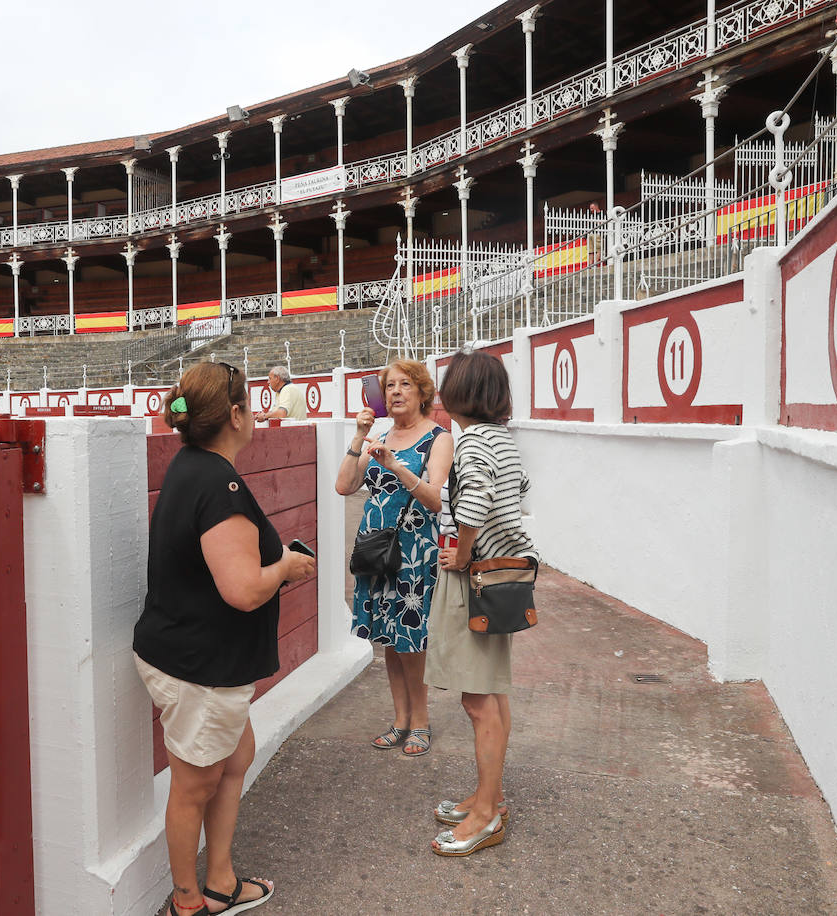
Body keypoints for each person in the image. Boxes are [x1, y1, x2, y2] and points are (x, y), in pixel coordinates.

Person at [134, 360, 316, 916]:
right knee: (195, 783)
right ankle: (190, 902)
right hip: (201, 667)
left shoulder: (193, 465)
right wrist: (285, 566)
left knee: (235, 758)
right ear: (235, 415)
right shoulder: (219, 483)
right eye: (251, 402)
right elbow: (242, 590)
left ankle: (219, 880)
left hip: (191, 654)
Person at [425, 350, 538, 857]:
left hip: (475, 577)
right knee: (494, 691)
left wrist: (461, 554)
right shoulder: (503, 440)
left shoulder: (471, 443)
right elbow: (518, 491)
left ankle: (487, 814)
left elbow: (472, 505)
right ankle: (488, 796)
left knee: (476, 699)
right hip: (504, 576)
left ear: (459, 394)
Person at [335, 359, 454, 757]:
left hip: (414, 550)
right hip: (376, 548)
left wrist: (397, 467)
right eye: (389, 386)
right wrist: (359, 435)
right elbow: (344, 485)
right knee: (387, 636)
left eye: (405, 385)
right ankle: (400, 719)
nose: (396, 392)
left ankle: (420, 721)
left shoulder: (439, 438)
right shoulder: (380, 435)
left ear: (423, 393)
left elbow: (436, 499)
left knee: (411, 638)